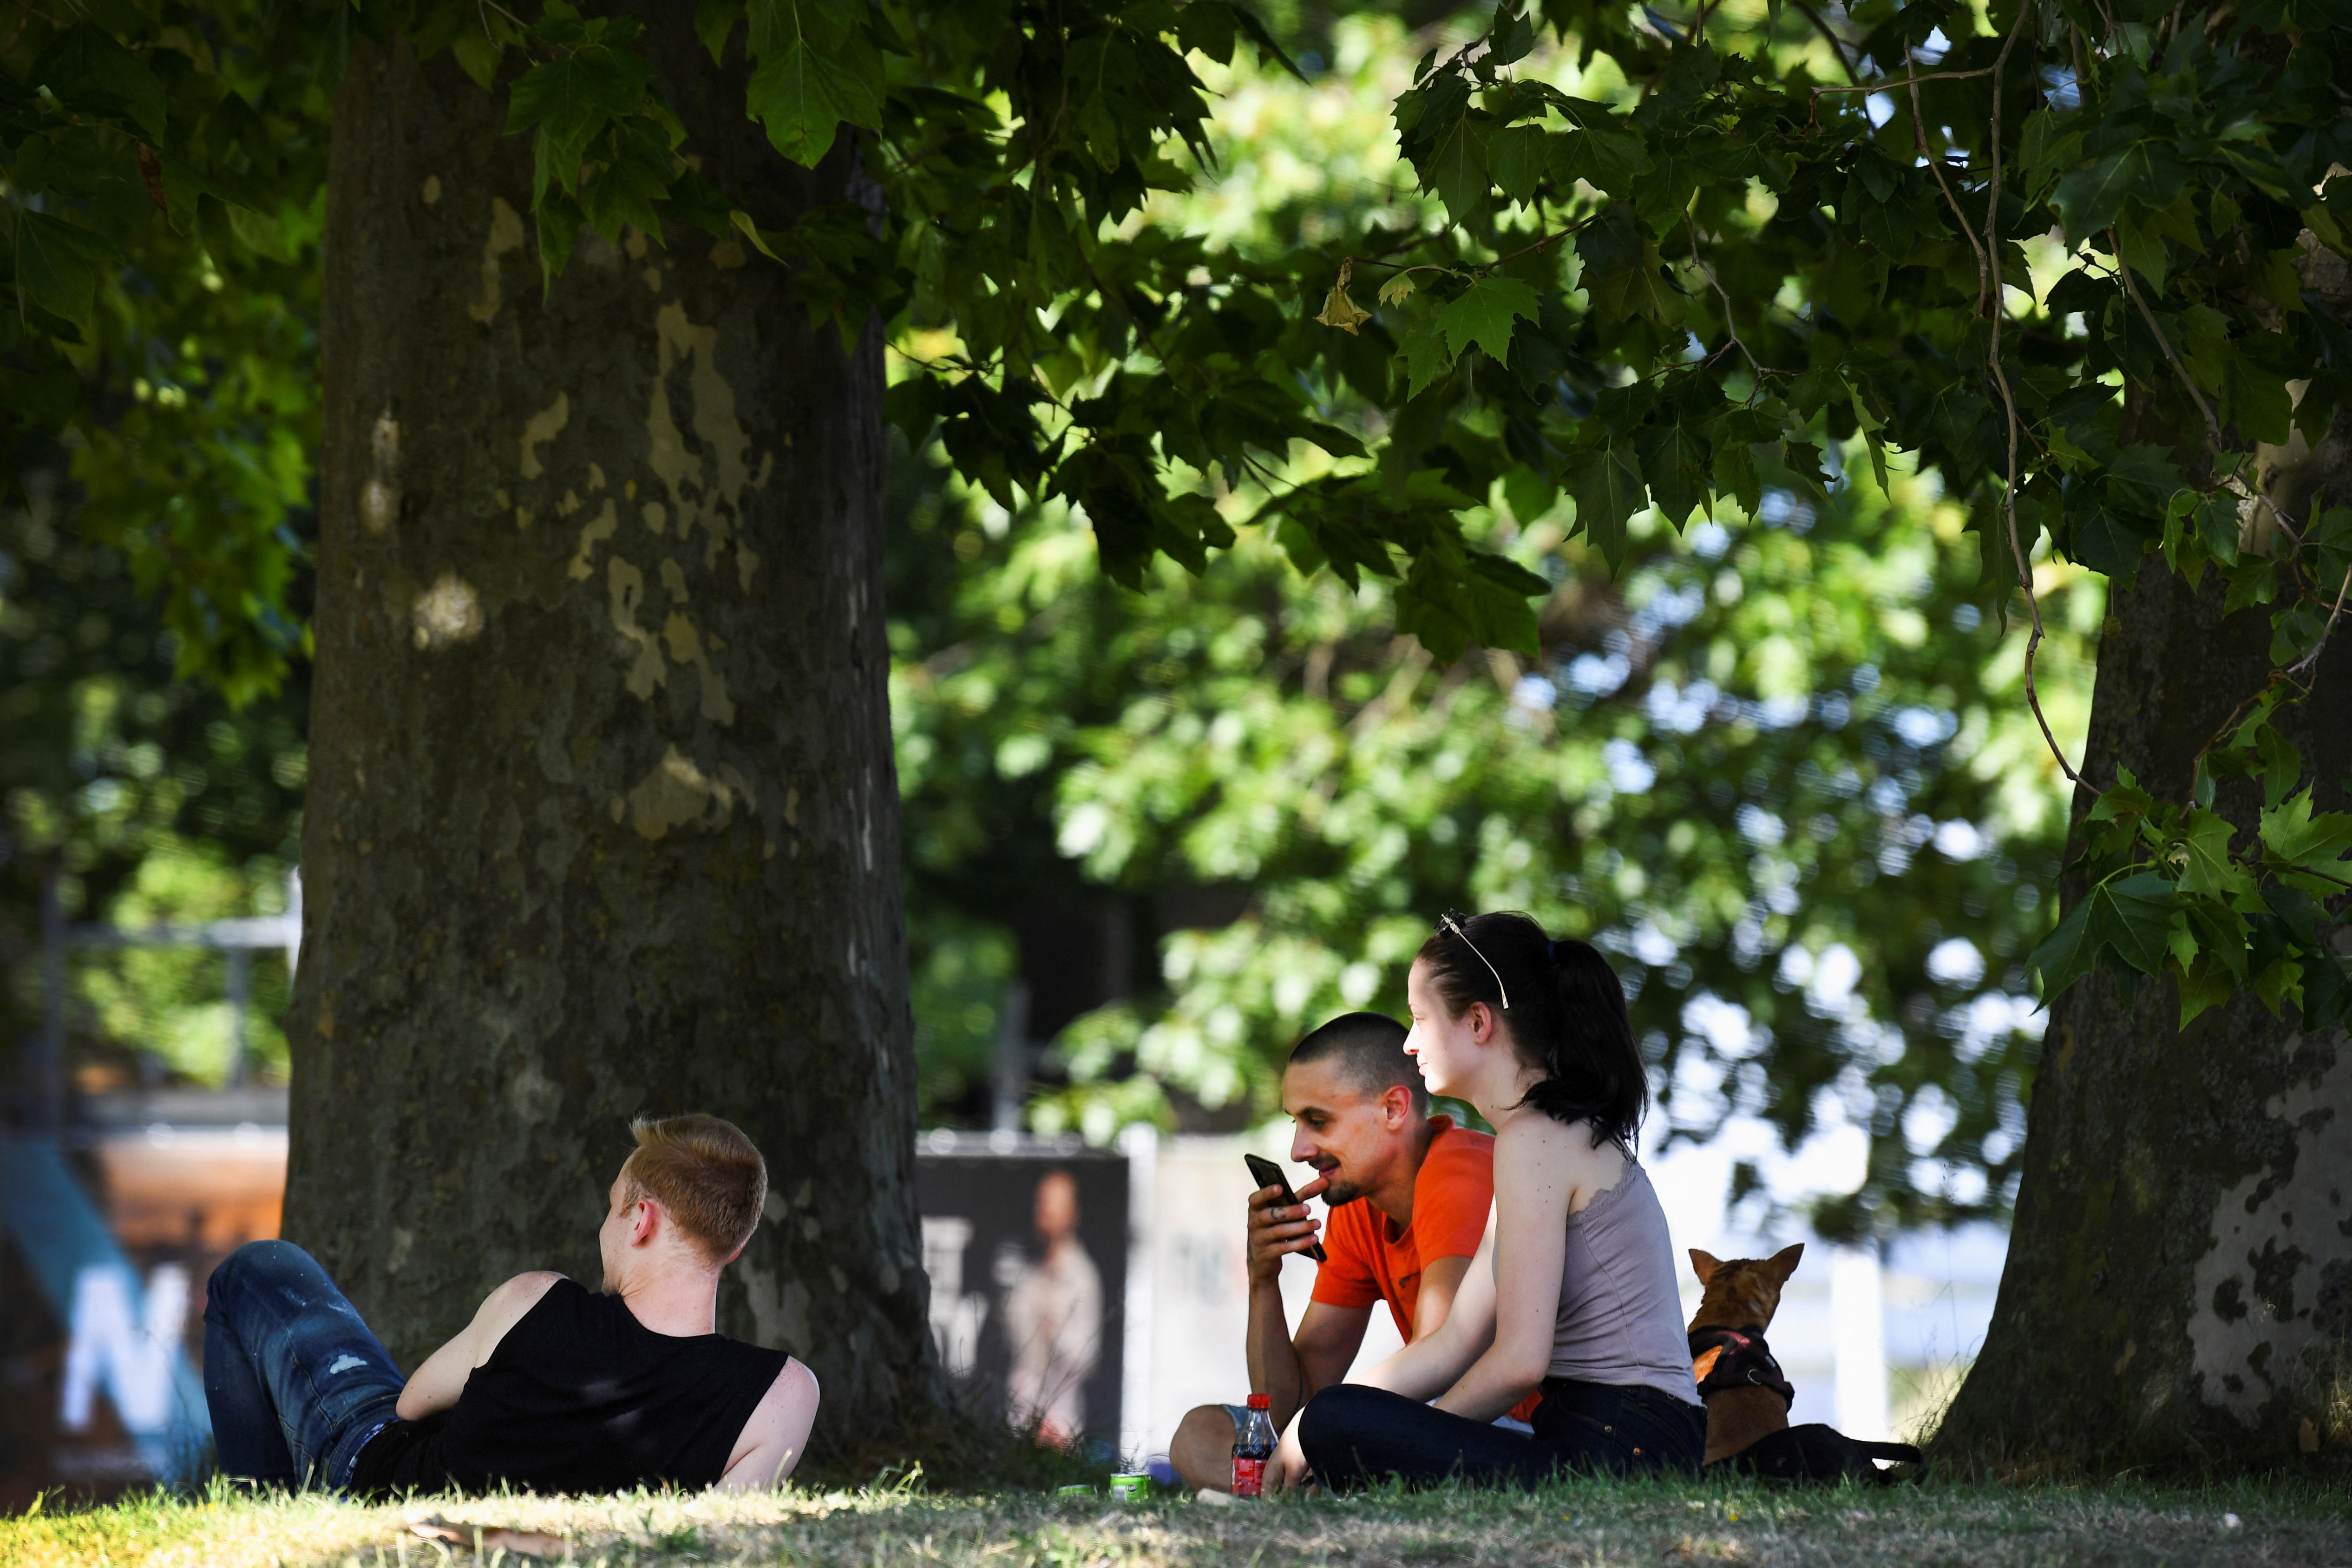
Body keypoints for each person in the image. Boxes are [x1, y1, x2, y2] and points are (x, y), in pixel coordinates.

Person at [1277, 912, 1704, 1490]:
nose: (1408, 1041)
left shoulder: (1535, 1139)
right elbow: (1454, 1340)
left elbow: (1519, 1363)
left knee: (1339, 1422)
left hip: (1621, 1442)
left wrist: (1398, 1439)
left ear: (1477, 1022)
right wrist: (1312, 1425)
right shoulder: (1536, 1137)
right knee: (1331, 1416)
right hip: (1621, 1436)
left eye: (1420, 1019)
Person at [202, 1113, 820, 1495]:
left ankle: (263, 1517)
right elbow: (712, 1535)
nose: (605, 1227)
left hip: (385, 1489)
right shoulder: (784, 1393)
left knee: (255, 1271)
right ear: (733, 1248)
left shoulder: (534, 1299)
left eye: (613, 1206)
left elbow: (412, 1402)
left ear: (640, 1220)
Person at [1165, 1010, 1536, 1491]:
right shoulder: (1358, 1207)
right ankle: (1301, 1504)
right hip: (1427, 1423)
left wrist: (1333, 1423)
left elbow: (1441, 1361)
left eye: (1317, 1121)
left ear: (1393, 1110)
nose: (1299, 1150)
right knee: (1199, 1434)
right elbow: (1288, 1406)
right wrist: (1262, 1278)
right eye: (1296, 1123)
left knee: (1346, 1429)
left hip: (1511, 1432)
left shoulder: (1459, 1173)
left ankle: (1302, 1501)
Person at [1002, 1168, 1103, 1446]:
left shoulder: (1081, 1278)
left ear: (1073, 1212)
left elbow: (1086, 1356)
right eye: (1041, 1203)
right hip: (1022, 1412)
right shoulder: (1029, 1274)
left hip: (1063, 1414)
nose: (1045, 1211)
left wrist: (1056, 1327)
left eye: (1054, 1204)